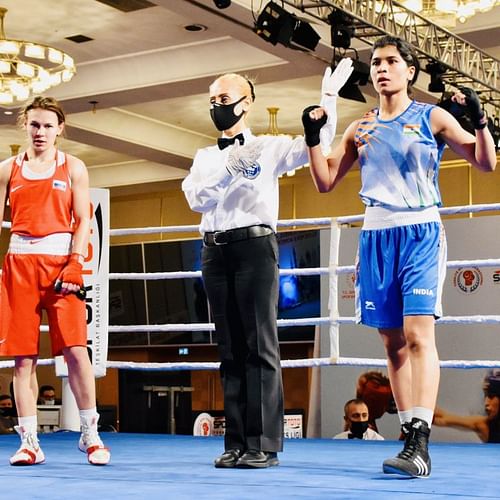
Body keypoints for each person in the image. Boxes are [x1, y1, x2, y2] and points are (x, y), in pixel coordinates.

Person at [302, 35, 497, 477]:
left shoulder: (433, 116)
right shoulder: (361, 127)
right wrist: (313, 139)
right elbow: (325, 181)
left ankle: (422, 440)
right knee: (391, 343)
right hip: (375, 235)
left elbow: (485, 163)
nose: (381, 69)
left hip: (420, 232)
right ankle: (411, 435)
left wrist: (482, 122)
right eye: (375, 63)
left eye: (391, 61)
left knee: (417, 335)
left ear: (410, 71)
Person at [182, 65, 353, 469]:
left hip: (255, 246)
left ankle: (264, 444)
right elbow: (195, 200)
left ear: (247, 103)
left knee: (260, 344)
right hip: (213, 249)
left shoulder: (270, 147)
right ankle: (236, 440)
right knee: (230, 349)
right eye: (213, 101)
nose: (217, 107)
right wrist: (228, 171)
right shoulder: (205, 156)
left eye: (224, 99)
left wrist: (327, 98)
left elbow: (320, 141)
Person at [0, 96, 110, 466]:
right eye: (34, 125)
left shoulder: (74, 167)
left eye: (48, 125)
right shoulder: (6, 169)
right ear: (25, 126)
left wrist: (76, 262)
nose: (40, 132)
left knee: (77, 351)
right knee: (22, 359)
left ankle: (90, 434)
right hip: (19, 264)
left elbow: (83, 220)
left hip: (62, 263)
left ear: (60, 128)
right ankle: (29, 440)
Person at [433, 374, 500, 443]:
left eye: (491, 397)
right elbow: (442, 418)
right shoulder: (484, 425)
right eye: (486, 396)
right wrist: (424, 411)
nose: (486, 403)